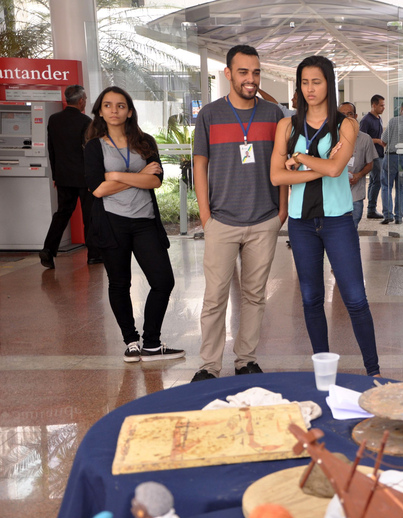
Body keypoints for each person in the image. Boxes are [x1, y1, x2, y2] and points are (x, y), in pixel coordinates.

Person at [270, 55, 381, 377]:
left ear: (329, 85)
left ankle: (374, 372)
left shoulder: (346, 125)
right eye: (304, 82)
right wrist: (320, 167)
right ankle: (324, 373)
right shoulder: (287, 126)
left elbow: (336, 169)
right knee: (311, 298)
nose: (310, 89)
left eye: (316, 82)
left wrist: (300, 158)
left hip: (337, 221)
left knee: (355, 298)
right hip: (301, 223)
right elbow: (277, 176)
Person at [191, 45, 288, 382]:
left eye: (256, 72)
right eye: (244, 72)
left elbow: (281, 164)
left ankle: (246, 359)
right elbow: (199, 166)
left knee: (254, 295)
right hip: (221, 220)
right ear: (228, 74)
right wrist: (206, 216)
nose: (251, 79)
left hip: (264, 220)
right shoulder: (210, 114)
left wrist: (281, 212)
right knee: (214, 297)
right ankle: (209, 365)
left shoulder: (273, 114)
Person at [85, 87, 185, 362]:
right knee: (120, 283)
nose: (114, 110)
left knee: (163, 281)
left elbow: (155, 181)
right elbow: (98, 189)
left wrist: (115, 175)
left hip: (145, 222)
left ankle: (151, 343)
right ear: (100, 111)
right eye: (108, 105)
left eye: (120, 105)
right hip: (111, 221)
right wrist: (138, 174)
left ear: (129, 111)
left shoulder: (145, 142)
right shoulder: (95, 146)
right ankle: (131, 341)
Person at [40, 84, 101, 269]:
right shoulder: (86, 122)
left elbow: (51, 149)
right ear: (81, 101)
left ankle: (48, 250)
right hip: (84, 178)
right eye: (86, 99)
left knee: (62, 213)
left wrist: (55, 175)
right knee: (89, 214)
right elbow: (88, 153)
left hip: (63, 176)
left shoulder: (54, 120)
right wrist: (92, 177)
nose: (86, 102)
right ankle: (94, 255)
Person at [339, 102, 378, 229]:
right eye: (342, 114)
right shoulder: (331, 137)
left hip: (355, 194)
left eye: (349, 114)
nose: (346, 117)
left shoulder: (365, 139)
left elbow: (370, 164)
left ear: (355, 116)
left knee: (352, 227)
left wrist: (359, 175)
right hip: (336, 194)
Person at [359, 94, 386, 219]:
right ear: (374, 105)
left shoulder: (379, 118)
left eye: (384, 105)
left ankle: (371, 208)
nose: (383, 108)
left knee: (374, 181)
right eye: (381, 105)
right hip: (372, 155)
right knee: (378, 181)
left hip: (379, 153)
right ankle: (371, 209)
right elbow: (362, 138)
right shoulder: (366, 120)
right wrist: (378, 141)